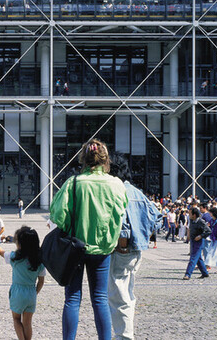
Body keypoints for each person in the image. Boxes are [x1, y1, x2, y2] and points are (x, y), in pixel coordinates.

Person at [49, 138, 127, 340]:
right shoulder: (116, 184)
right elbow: (120, 213)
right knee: (100, 298)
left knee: (72, 299)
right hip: (102, 249)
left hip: (75, 247)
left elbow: (57, 215)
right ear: (105, 160)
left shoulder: (73, 183)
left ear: (83, 159)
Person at [107, 153, 159, 339]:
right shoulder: (137, 192)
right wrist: (143, 235)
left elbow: (122, 221)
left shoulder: (117, 190)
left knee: (118, 297)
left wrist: (122, 241)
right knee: (127, 295)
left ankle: (124, 336)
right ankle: (122, 335)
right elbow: (156, 218)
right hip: (136, 250)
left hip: (122, 250)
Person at [0, 226, 46, 340]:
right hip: (31, 293)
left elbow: (2, 252)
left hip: (17, 292)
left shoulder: (15, 258)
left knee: (16, 319)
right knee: (27, 323)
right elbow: (41, 281)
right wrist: (35, 292)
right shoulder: (39, 261)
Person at [183, 206, 211, 280]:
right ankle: (205, 273)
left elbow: (208, 231)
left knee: (193, 258)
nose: (188, 215)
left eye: (190, 214)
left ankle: (188, 274)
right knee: (198, 259)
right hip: (192, 241)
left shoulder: (201, 221)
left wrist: (201, 236)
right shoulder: (191, 220)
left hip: (199, 242)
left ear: (194, 215)